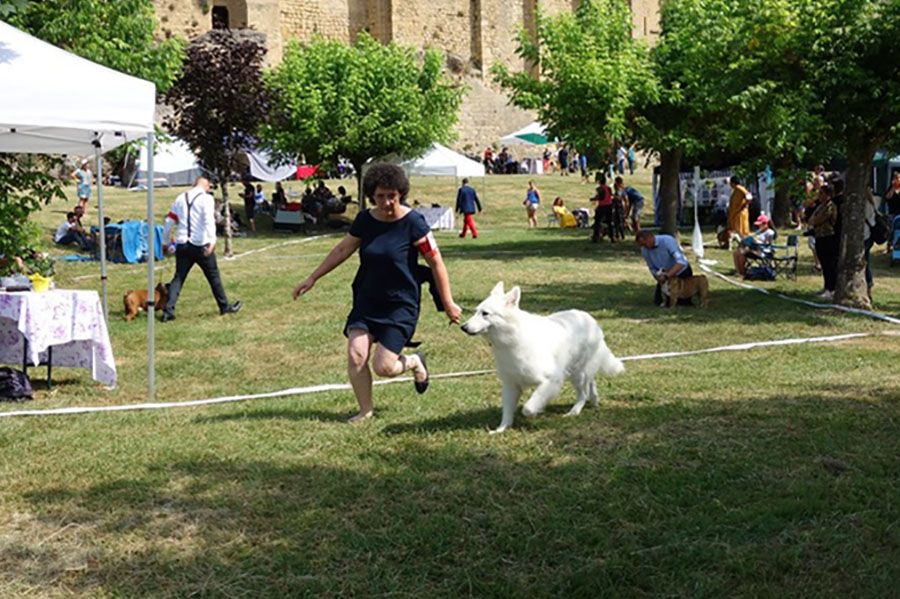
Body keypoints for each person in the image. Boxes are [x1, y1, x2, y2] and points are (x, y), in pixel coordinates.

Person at [292, 164, 461, 422]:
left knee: (383, 367)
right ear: (372, 195)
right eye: (381, 196)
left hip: (400, 304)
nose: (386, 201)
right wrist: (312, 278)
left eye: (392, 195)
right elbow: (342, 250)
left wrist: (448, 302)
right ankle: (365, 410)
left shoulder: (414, 222)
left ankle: (415, 362)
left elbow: (436, 262)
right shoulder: (365, 220)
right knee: (356, 354)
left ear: (400, 193)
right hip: (367, 299)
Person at [161, 177, 242, 322]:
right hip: (200, 244)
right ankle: (224, 306)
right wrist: (212, 241)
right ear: (205, 185)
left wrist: (165, 242)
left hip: (182, 244)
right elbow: (208, 221)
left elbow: (169, 221)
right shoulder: (206, 199)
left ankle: (168, 311)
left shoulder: (180, 198)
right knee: (213, 276)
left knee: (179, 277)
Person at [635, 230, 695, 307]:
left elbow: (681, 262)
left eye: (644, 243)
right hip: (664, 275)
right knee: (659, 302)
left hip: (680, 272)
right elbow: (652, 267)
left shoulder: (667, 241)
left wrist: (667, 275)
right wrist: (657, 277)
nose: (644, 246)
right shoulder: (644, 250)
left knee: (682, 302)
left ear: (650, 237)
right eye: (641, 245)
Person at [809, 184, 839, 300]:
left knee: (829, 264)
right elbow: (811, 219)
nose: (819, 196)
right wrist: (813, 221)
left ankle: (832, 289)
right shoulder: (820, 206)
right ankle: (826, 287)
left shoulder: (831, 206)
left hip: (828, 237)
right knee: (823, 263)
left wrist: (815, 221)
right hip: (819, 236)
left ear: (828, 195)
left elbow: (820, 219)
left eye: (822, 193)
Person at [591, 175, 614, 242]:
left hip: (602, 206)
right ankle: (612, 237)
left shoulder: (599, 188)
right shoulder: (609, 188)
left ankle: (596, 237)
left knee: (597, 222)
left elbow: (600, 197)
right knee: (609, 222)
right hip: (609, 205)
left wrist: (594, 199)